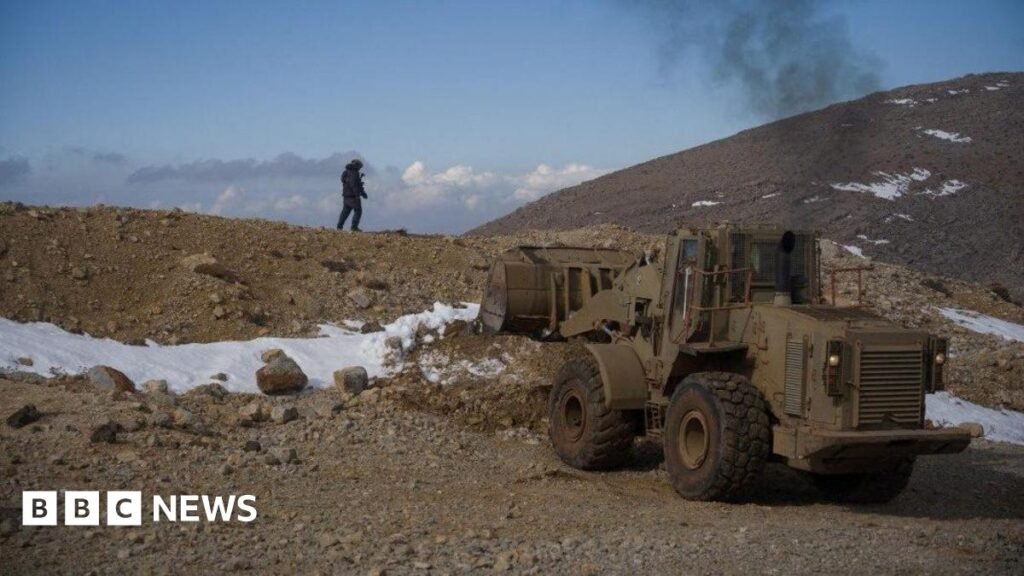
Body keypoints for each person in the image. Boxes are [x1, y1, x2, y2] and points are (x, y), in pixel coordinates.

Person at [337, 159, 368, 231]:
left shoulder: (346, 172)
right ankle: (354, 227)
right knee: (358, 211)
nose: (360, 168)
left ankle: (339, 226)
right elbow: (354, 185)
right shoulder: (354, 173)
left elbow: (349, 182)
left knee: (345, 211)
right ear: (357, 165)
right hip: (353, 196)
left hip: (346, 196)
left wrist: (363, 193)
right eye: (360, 167)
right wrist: (358, 195)